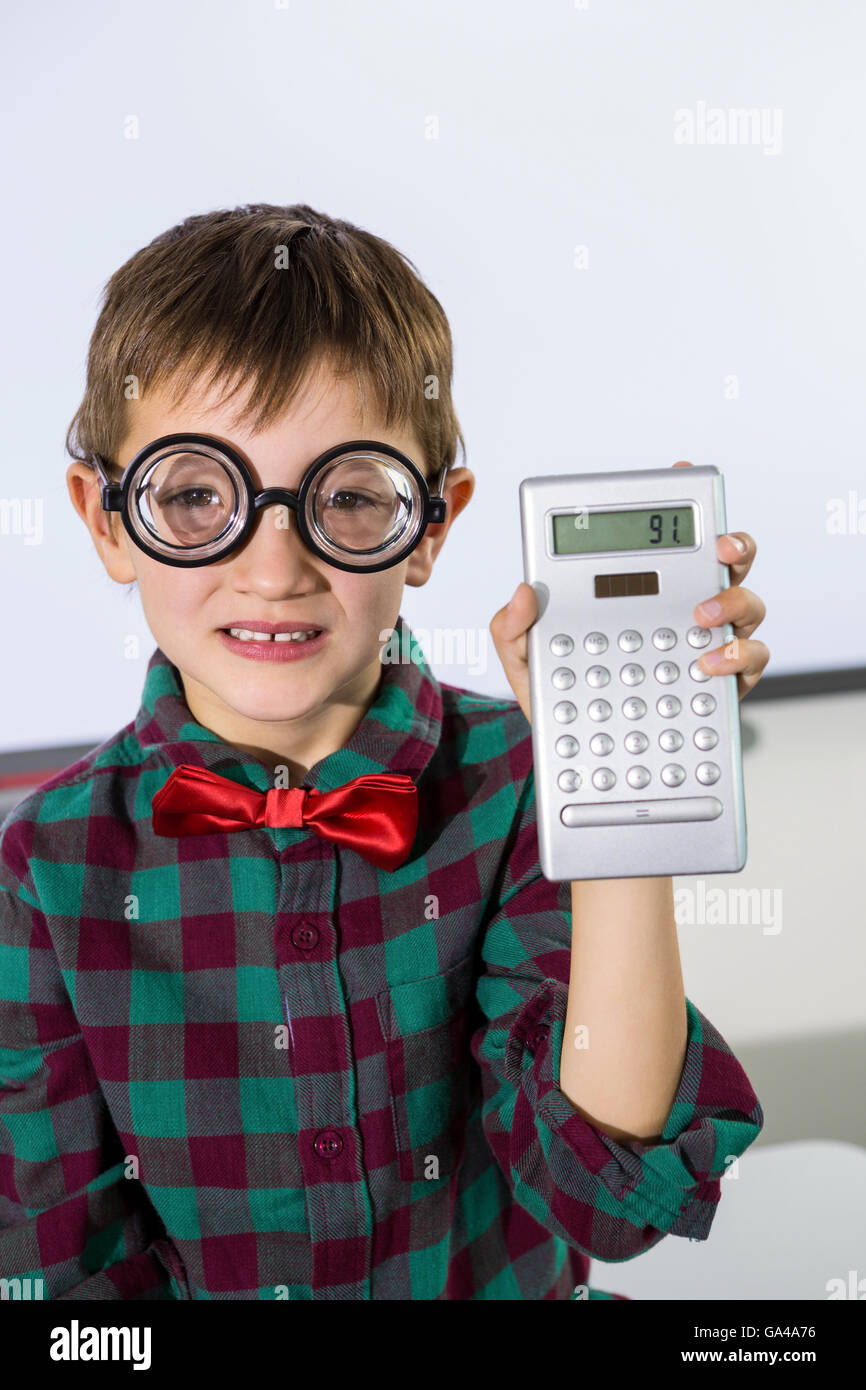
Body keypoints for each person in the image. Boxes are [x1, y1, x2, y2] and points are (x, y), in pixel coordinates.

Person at [0, 203, 770, 1300]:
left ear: (432, 524)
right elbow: (61, 1284)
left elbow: (605, 1196)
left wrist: (619, 802)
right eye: (194, 495)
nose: (273, 570)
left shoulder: (517, 779)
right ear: (106, 516)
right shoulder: (42, 867)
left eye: (349, 498)